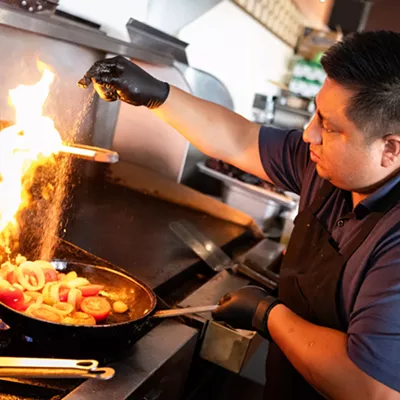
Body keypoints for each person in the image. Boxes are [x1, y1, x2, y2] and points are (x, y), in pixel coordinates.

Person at [78, 30, 400, 399]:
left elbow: (372, 388)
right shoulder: (332, 166)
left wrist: (269, 314)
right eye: (316, 114)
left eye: (328, 125)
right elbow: (240, 139)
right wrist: (156, 94)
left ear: (390, 149)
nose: (309, 134)